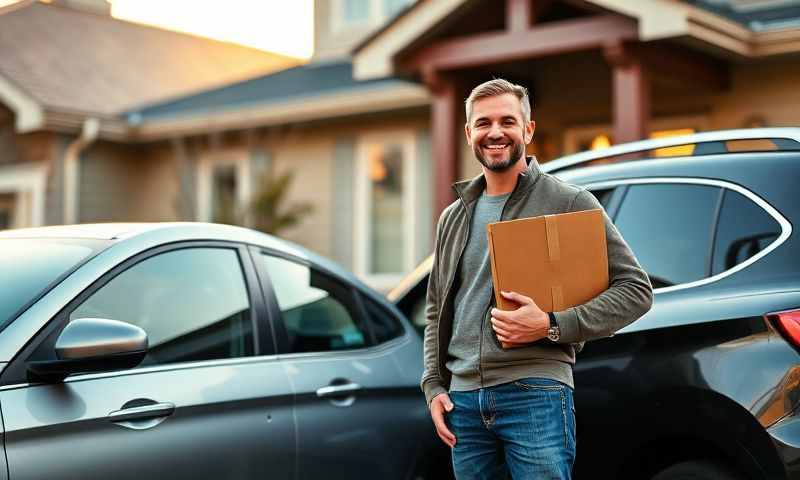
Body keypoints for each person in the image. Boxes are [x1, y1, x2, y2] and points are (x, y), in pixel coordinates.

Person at [422, 78, 654, 479]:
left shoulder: (569, 203)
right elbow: (436, 309)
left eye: (507, 121)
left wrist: (550, 325)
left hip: (535, 394)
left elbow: (635, 291)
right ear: (468, 134)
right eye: (483, 123)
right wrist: (434, 388)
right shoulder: (454, 216)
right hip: (463, 403)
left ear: (528, 130)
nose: (495, 132)